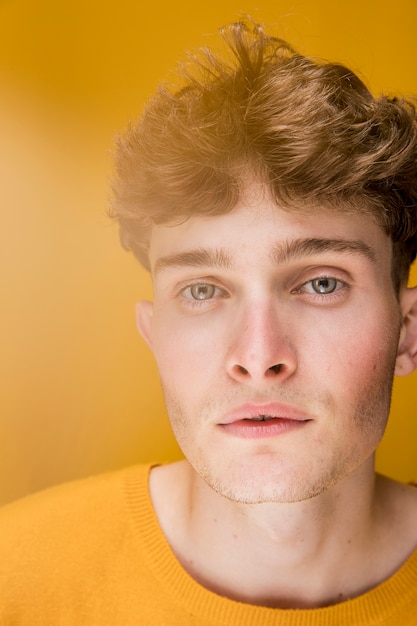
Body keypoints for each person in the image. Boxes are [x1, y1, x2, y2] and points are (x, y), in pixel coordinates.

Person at [1, 19, 417, 625]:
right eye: (201, 290)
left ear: (408, 332)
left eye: (321, 283)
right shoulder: (15, 576)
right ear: (154, 335)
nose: (258, 355)